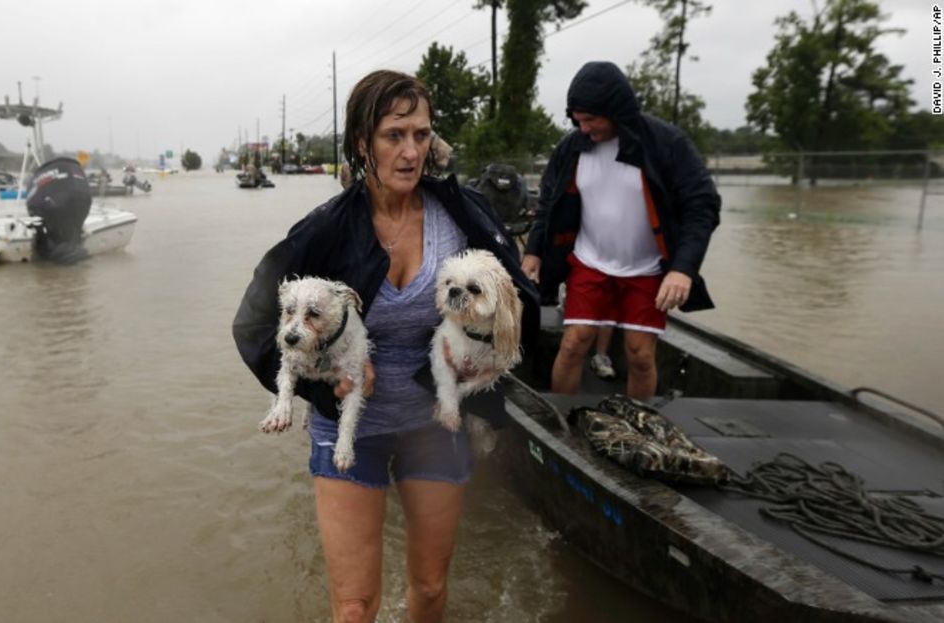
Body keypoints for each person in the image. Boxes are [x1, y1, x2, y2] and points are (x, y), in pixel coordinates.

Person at [233, 70, 537, 623]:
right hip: (352, 427)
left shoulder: (462, 215)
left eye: (421, 135)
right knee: (353, 608)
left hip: (434, 423)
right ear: (361, 143)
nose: (410, 150)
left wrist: (486, 347)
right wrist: (327, 382)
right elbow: (255, 326)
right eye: (394, 135)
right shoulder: (325, 229)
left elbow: (517, 304)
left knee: (428, 588)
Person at [521, 61, 720, 399]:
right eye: (577, 120)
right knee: (573, 343)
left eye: (591, 120)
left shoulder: (665, 143)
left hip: (646, 268)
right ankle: (559, 420)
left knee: (640, 355)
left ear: (616, 111)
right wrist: (534, 251)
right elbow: (549, 204)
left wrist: (682, 270)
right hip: (589, 261)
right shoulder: (571, 148)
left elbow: (703, 205)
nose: (583, 129)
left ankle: (637, 426)